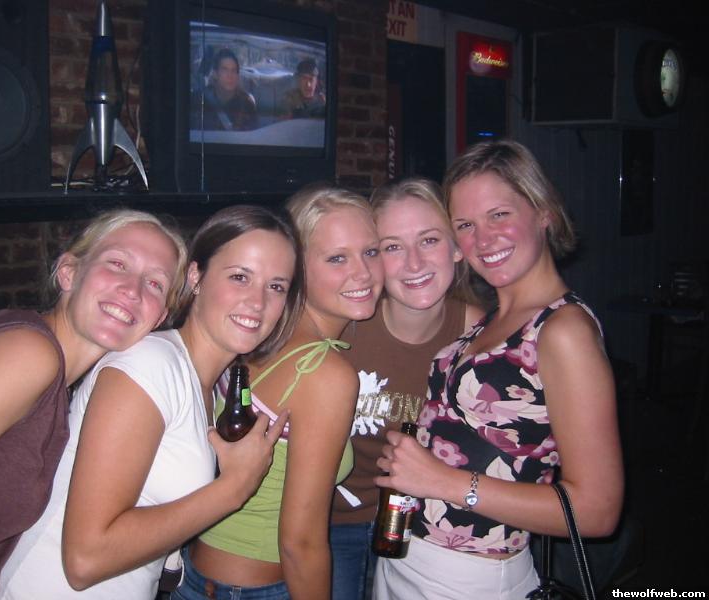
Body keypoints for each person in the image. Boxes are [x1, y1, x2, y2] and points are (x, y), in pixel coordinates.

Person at [0, 205, 302, 599]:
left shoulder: (205, 383)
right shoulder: (150, 365)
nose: (257, 301)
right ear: (196, 277)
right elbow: (85, 559)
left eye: (276, 286)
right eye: (240, 277)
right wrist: (233, 488)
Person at [373, 140, 624, 599]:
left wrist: (443, 481)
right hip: (408, 559)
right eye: (465, 224)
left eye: (499, 215)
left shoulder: (563, 330)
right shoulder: (490, 319)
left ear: (543, 212)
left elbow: (596, 511)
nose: (483, 239)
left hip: (473, 577)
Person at [0, 209, 187, 599]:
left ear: (159, 319)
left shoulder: (57, 381)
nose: (133, 290)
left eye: (155, 283)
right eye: (117, 264)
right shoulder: (27, 355)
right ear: (69, 273)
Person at [177, 186, 385, 600]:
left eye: (371, 252)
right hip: (256, 589)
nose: (363, 273)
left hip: (200, 576)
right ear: (297, 269)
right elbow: (300, 544)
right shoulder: (324, 372)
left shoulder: (255, 333)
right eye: (337, 258)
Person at [329, 177, 485, 600]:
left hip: (428, 525)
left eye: (429, 240)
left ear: (457, 248)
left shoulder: (480, 337)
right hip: (334, 522)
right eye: (393, 246)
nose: (414, 263)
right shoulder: (343, 324)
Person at [193, 48, 258, 131]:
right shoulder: (199, 99)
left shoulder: (247, 103)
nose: (230, 75)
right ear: (215, 74)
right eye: (224, 70)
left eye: (233, 70)